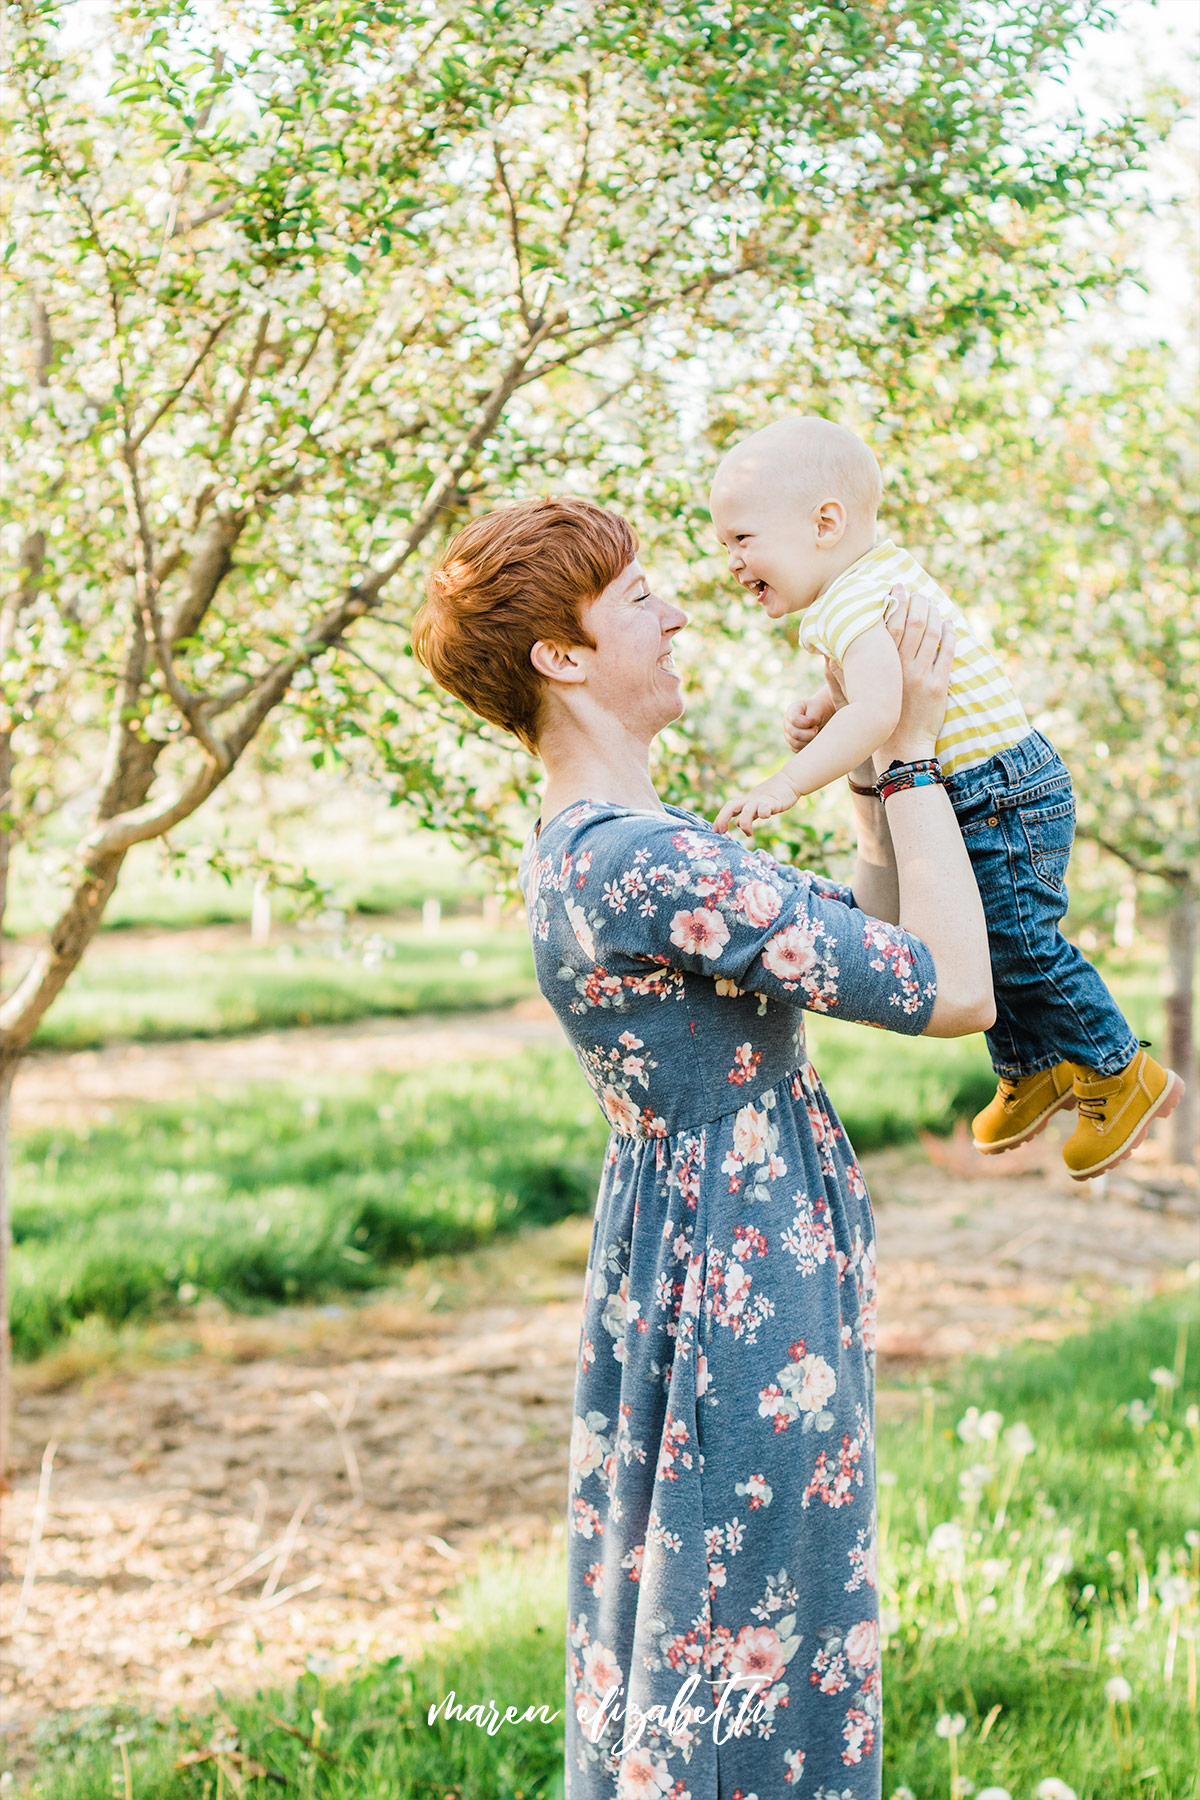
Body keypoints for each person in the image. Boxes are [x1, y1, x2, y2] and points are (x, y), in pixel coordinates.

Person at [411, 494, 993, 1800]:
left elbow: (870, 945)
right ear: (561, 656)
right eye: (636, 600)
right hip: (742, 1280)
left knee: (713, 1607)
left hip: (696, 1255)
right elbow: (956, 990)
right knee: (752, 1627)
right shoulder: (645, 859)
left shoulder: (609, 848)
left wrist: (859, 785)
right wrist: (910, 759)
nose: (679, 613)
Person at [707, 415, 1183, 1183]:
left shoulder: (844, 606)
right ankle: (1034, 1068)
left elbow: (880, 714)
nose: (729, 560)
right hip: (994, 786)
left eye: (741, 539)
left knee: (1020, 945)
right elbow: (876, 688)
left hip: (997, 790)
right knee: (986, 940)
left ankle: (1122, 1072)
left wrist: (785, 782)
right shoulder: (866, 584)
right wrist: (827, 707)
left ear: (825, 523)